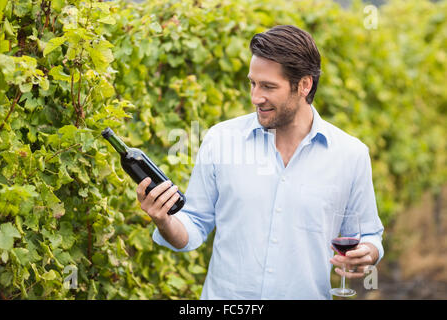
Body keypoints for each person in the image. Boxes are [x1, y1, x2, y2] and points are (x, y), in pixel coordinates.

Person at [136, 25, 384, 299]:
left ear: (304, 85)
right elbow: (194, 223)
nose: (255, 97)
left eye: (268, 86)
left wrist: (367, 253)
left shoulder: (350, 155)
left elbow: (369, 234)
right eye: (252, 83)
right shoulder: (221, 140)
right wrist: (164, 221)